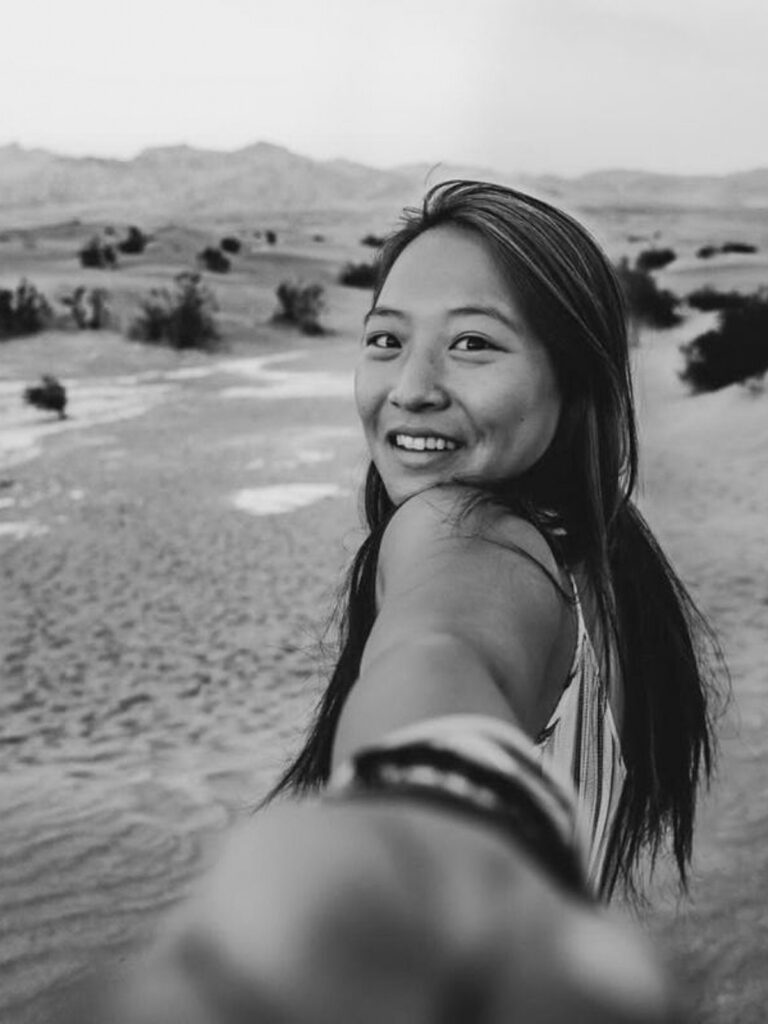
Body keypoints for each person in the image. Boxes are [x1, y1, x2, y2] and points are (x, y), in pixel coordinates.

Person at [81, 181, 721, 1023]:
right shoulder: (600, 560)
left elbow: (441, 648)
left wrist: (418, 828)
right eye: (386, 339)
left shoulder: (457, 529)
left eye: (473, 344)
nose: (411, 386)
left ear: (573, 382)